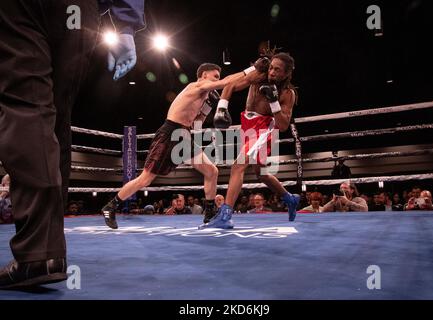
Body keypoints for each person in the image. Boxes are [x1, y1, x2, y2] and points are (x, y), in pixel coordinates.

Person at [0, 0, 144, 289]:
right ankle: (47, 250)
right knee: (56, 114)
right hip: (78, 10)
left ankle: (38, 251)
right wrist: (126, 24)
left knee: (28, 105)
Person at [101, 61, 266, 228]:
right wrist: (252, 69)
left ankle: (208, 214)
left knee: (211, 171)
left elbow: (196, 123)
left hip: (184, 135)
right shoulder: (196, 86)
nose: (218, 79)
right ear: (204, 75)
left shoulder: (202, 96)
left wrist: (207, 108)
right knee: (145, 179)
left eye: (218, 77)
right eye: (215, 76)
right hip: (170, 133)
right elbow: (228, 82)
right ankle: (110, 207)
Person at [200, 52, 300, 229]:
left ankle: (225, 215)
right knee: (261, 173)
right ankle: (289, 198)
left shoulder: (287, 93)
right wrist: (222, 107)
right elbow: (230, 85)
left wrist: (274, 101)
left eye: (278, 70)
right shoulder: (258, 77)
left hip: (264, 128)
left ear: (286, 74)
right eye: (271, 68)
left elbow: (283, 125)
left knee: (238, 165)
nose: (272, 72)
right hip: (248, 124)